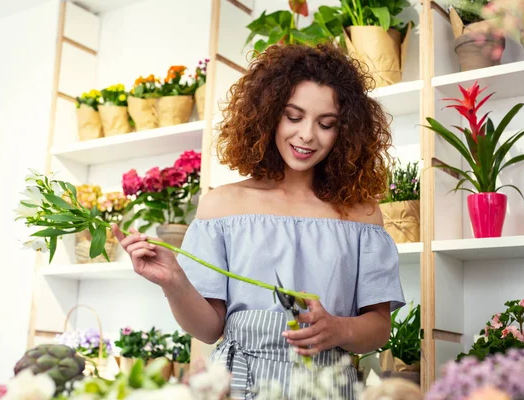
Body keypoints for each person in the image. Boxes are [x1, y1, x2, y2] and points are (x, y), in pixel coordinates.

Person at [111, 43, 405, 399]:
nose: (307, 135)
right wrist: (173, 280)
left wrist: (337, 329)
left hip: (326, 386)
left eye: (326, 123)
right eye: (293, 117)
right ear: (267, 115)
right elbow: (208, 329)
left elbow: (378, 327)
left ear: (345, 131)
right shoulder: (222, 206)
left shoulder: (361, 215)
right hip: (238, 384)